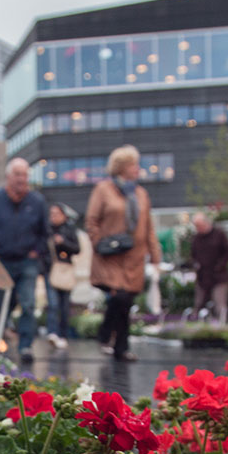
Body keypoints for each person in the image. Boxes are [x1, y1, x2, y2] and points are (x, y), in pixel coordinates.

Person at [86, 145, 161, 362]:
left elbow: (148, 226)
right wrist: (98, 242)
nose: (138, 169)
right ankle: (108, 334)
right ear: (121, 167)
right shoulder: (103, 190)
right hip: (110, 255)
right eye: (133, 165)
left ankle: (120, 345)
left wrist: (155, 255)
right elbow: (91, 220)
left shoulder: (140, 194)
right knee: (119, 297)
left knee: (125, 302)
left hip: (134, 257)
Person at [0, 157, 48, 362]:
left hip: (27, 261)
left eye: (25, 174)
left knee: (28, 303)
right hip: (1, 262)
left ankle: (25, 346)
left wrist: (37, 251)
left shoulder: (37, 201)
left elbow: (45, 232)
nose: (22, 179)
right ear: (8, 176)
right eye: (18, 174)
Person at [45, 203, 80, 349]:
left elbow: (77, 249)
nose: (54, 217)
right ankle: (52, 332)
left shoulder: (69, 229)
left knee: (64, 305)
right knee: (53, 304)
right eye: (51, 214)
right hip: (50, 270)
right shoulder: (47, 229)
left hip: (65, 271)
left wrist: (63, 242)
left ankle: (63, 334)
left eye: (57, 214)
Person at [190, 212, 228, 324]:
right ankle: (197, 326)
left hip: (218, 275)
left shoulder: (219, 235)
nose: (198, 228)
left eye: (199, 225)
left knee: (219, 302)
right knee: (199, 302)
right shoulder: (196, 238)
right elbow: (193, 255)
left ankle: (223, 326)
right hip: (202, 275)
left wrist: (220, 266)